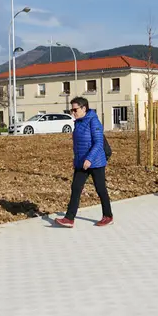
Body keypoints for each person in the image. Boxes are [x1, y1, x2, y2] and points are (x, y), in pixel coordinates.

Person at [55, 97, 114, 228]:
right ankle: (69, 219)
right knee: (76, 188)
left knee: (100, 189)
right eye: (71, 110)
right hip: (81, 162)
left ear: (84, 108)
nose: (73, 113)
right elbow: (79, 144)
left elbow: (98, 143)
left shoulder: (94, 121)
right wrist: (77, 159)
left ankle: (108, 216)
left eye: (75, 109)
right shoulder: (79, 122)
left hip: (96, 162)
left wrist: (89, 159)